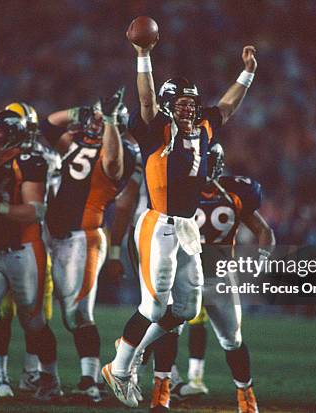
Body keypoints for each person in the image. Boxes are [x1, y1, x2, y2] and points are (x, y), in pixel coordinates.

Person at [101, 29, 258, 408]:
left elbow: (229, 105)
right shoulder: (157, 129)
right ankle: (120, 367)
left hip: (188, 228)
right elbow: (145, 97)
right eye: (180, 102)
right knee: (154, 307)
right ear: (169, 105)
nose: (188, 108)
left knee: (185, 310)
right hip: (158, 224)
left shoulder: (204, 127)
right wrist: (143, 54)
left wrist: (247, 73)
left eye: (191, 101)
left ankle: (130, 348)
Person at [152, 143, 274, 413]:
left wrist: (261, 261)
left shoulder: (234, 193)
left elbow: (265, 232)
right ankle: (161, 394)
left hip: (220, 278)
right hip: (184, 275)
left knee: (233, 340)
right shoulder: (177, 192)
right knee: (168, 331)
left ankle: (246, 396)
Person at [43, 88, 138, 402]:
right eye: (96, 118)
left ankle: (91, 383)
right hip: (56, 236)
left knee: (79, 313)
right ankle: (51, 377)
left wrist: (109, 121)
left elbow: (112, 163)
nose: (95, 123)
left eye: (103, 119)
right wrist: (77, 112)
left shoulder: (123, 150)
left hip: (84, 237)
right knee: (67, 316)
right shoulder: (79, 141)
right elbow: (48, 126)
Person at [0, 109, 59, 401]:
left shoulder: (30, 162)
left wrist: (0, 208)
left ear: (14, 134)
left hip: (24, 249)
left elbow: (36, 210)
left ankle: (49, 378)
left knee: (32, 320)